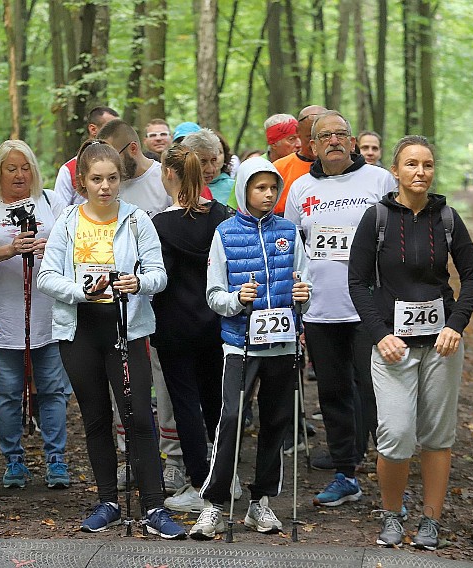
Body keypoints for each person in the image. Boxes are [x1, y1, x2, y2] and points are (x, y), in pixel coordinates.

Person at [38, 140, 185, 539]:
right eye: (96, 179)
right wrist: (80, 292)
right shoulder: (68, 221)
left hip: (127, 328)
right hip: (79, 330)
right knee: (96, 417)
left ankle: (154, 505)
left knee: (138, 414)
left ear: (122, 179)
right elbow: (46, 277)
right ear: (82, 182)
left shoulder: (137, 220)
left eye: (113, 179)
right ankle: (108, 502)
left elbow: (159, 274)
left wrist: (138, 282)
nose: (105, 187)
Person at [348, 136, 473, 550]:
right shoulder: (376, 218)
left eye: (426, 164)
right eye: (411, 164)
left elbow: (472, 276)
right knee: (396, 434)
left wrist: (456, 325)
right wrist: (380, 334)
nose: (419, 172)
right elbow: (357, 283)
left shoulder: (448, 219)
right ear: (396, 170)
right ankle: (391, 515)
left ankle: (431, 520)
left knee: (438, 436)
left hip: (441, 346)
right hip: (393, 347)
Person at [190, 156, 311, 540]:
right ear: (244, 189)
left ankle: (261, 502)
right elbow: (213, 294)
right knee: (231, 420)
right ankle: (213, 504)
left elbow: (304, 284)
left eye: (273, 188)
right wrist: (236, 300)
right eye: (260, 188)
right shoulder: (225, 233)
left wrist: (303, 296)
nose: (268, 194)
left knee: (276, 421)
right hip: (240, 344)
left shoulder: (290, 232)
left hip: (282, 342)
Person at [285, 110, 395, 505]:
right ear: (311, 145)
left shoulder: (379, 180)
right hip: (319, 307)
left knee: (372, 389)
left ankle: (387, 466)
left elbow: (396, 237)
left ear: (351, 142)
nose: (333, 140)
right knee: (332, 392)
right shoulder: (299, 188)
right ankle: (346, 473)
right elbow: (292, 247)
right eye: (324, 136)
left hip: (369, 306)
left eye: (340, 134)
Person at [0, 140, 70, 490]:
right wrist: (10, 249)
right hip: (3, 316)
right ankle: (14, 461)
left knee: (53, 389)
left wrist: (49, 248)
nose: (20, 174)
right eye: (11, 168)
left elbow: (72, 245)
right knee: (8, 391)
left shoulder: (52, 201)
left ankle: (56, 460)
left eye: (26, 167)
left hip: (48, 313)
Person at [97, 119, 185, 493]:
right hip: (118, 306)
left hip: (164, 301)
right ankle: (130, 456)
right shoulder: (106, 190)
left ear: (132, 149)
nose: (108, 175)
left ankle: (175, 461)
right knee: (125, 383)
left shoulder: (161, 182)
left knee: (165, 383)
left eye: (113, 161)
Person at [150, 144, 233, 514]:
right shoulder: (222, 218)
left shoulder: (158, 226)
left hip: (173, 328)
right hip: (216, 324)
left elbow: (157, 280)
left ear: (168, 174)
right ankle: (224, 478)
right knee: (217, 401)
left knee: (185, 404)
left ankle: (200, 483)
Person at [53, 106, 119, 207]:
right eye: (112, 128)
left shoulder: (121, 165)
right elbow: (59, 212)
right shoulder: (69, 170)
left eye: (112, 178)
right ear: (93, 129)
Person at [267, 104, 327, 215]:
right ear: (299, 134)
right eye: (310, 137)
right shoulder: (279, 168)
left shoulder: (341, 167)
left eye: (323, 136)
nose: (316, 143)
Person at [180, 128, 235, 204]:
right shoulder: (175, 187)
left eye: (213, 160)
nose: (210, 169)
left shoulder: (234, 187)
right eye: (203, 162)